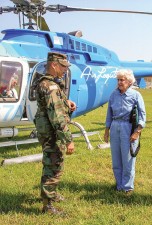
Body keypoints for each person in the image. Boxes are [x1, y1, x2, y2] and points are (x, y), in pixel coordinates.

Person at [34, 52, 76, 215]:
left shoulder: (48, 83)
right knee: (53, 165)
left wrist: (67, 102)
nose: (65, 69)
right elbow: (57, 117)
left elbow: (55, 104)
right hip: (52, 133)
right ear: (54, 65)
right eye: (63, 66)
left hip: (48, 132)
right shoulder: (50, 86)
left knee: (51, 163)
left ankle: (51, 194)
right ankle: (48, 205)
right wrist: (68, 140)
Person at [104, 69, 146, 194]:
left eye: (122, 80)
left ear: (129, 82)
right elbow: (109, 114)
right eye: (118, 80)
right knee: (116, 159)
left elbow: (143, 115)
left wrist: (137, 131)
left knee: (128, 159)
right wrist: (107, 130)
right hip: (115, 126)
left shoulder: (136, 95)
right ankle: (119, 185)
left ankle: (128, 187)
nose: (119, 82)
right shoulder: (113, 95)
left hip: (128, 127)